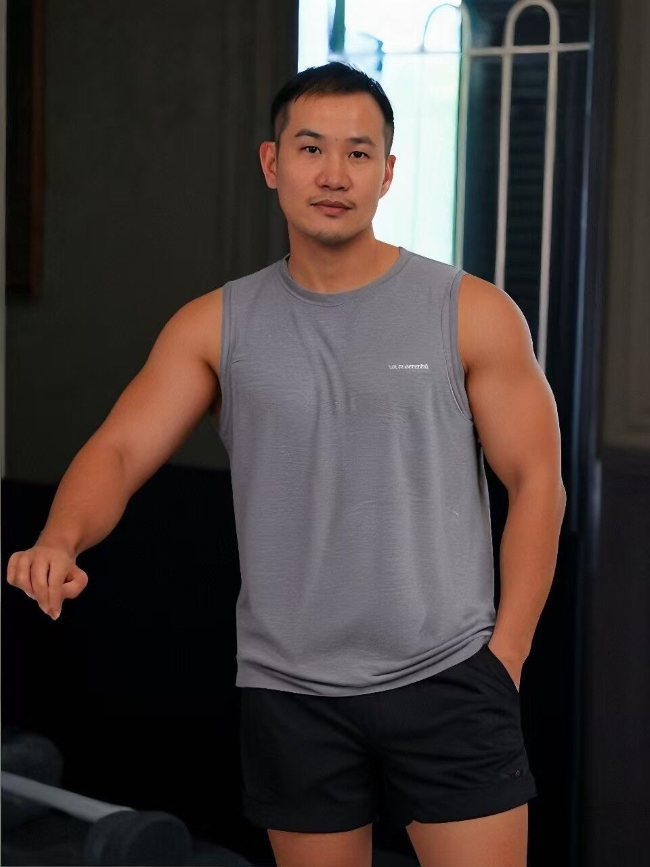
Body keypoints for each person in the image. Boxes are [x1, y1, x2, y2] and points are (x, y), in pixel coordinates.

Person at [6, 61, 566, 867]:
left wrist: (506, 656)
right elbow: (120, 450)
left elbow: (537, 481)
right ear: (273, 163)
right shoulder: (214, 325)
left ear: (387, 172)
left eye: (358, 153)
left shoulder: (471, 311)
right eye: (311, 148)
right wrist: (60, 536)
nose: (334, 174)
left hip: (448, 674)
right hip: (290, 689)